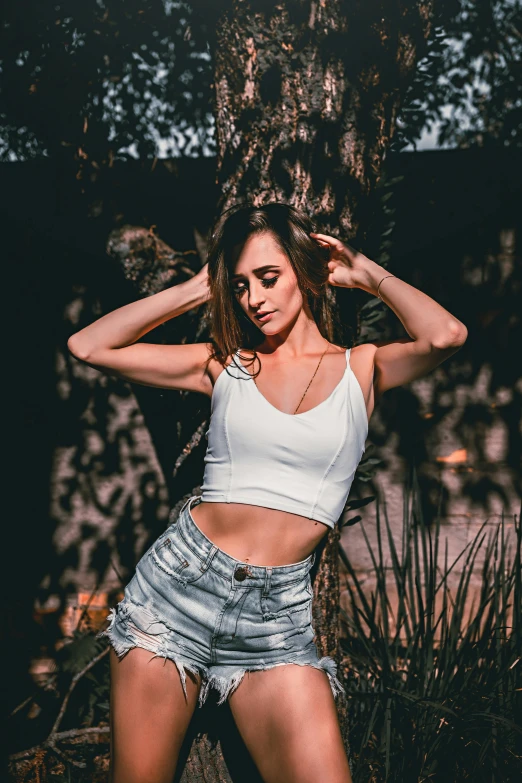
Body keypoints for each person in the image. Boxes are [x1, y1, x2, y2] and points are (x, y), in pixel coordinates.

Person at [67, 202, 467, 783]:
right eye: (240, 285)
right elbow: (88, 346)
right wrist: (194, 290)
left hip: (275, 619)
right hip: (175, 591)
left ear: (304, 273)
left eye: (269, 278)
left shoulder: (363, 369)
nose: (254, 298)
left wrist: (367, 274)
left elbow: (446, 335)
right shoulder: (225, 365)